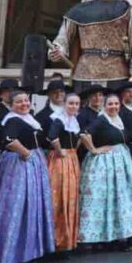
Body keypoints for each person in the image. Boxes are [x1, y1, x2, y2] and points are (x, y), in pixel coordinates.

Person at [0, 90, 54, 263]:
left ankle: (28, 252)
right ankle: (14, 254)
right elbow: (9, 140)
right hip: (19, 167)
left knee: (31, 207)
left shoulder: (28, 118)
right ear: (11, 105)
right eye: (19, 102)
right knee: (19, 207)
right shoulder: (13, 120)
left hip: (31, 164)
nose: (24, 104)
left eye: (26, 100)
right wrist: (26, 153)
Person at [78, 92, 132, 249]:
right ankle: (101, 238)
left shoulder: (119, 120)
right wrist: (94, 150)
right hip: (105, 163)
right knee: (104, 198)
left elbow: (129, 138)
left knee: (119, 198)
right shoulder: (101, 120)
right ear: (105, 106)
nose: (114, 107)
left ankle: (118, 236)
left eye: (116, 104)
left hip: (121, 162)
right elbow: (84, 134)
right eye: (110, 104)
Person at [47, 91, 82, 254]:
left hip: (71, 158)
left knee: (71, 197)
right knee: (60, 197)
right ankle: (56, 239)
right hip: (61, 161)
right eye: (71, 103)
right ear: (64, 104)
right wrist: (60, 151)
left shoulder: (73, 120)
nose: (74, 106)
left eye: (76, 104)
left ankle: (66, 238)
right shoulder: (59, 120)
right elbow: (52, 137)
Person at [0, 78, 29, 161]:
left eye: (14, 91)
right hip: (3, 157)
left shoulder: (24, 112)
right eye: (8, 91)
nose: (11, 94)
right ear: (1, 94)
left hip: (24, 156)